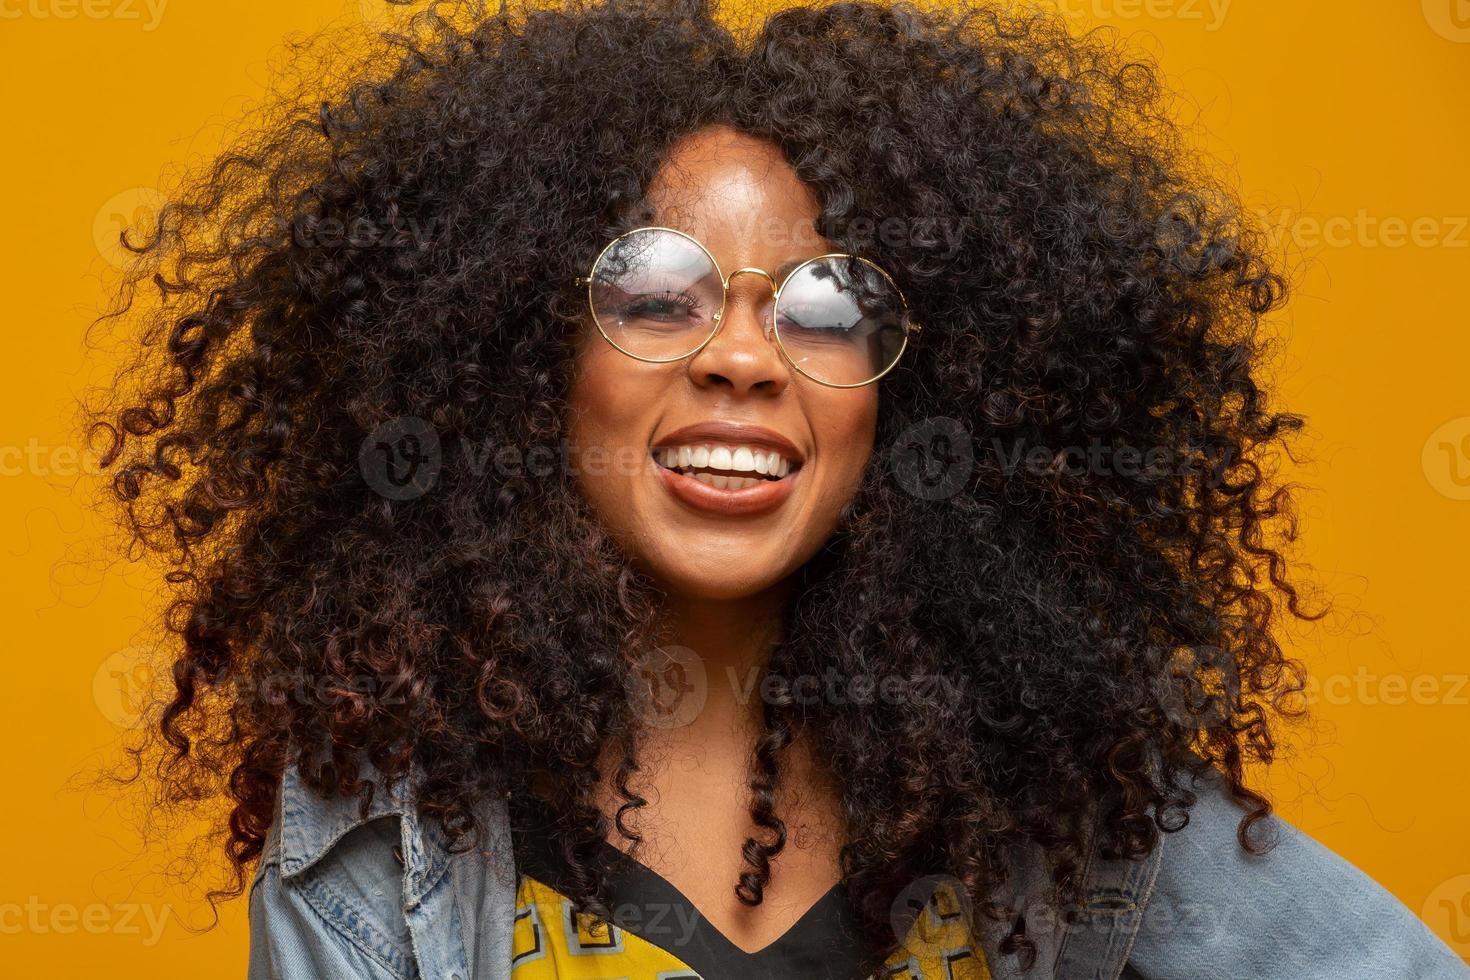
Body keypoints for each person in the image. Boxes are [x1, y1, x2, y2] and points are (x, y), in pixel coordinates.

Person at [88, 0, 1469, 976]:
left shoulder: (1050, 803)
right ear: (519, 358)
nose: (743, 358)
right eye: (655, 293)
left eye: (824, 306)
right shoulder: (379, 853)